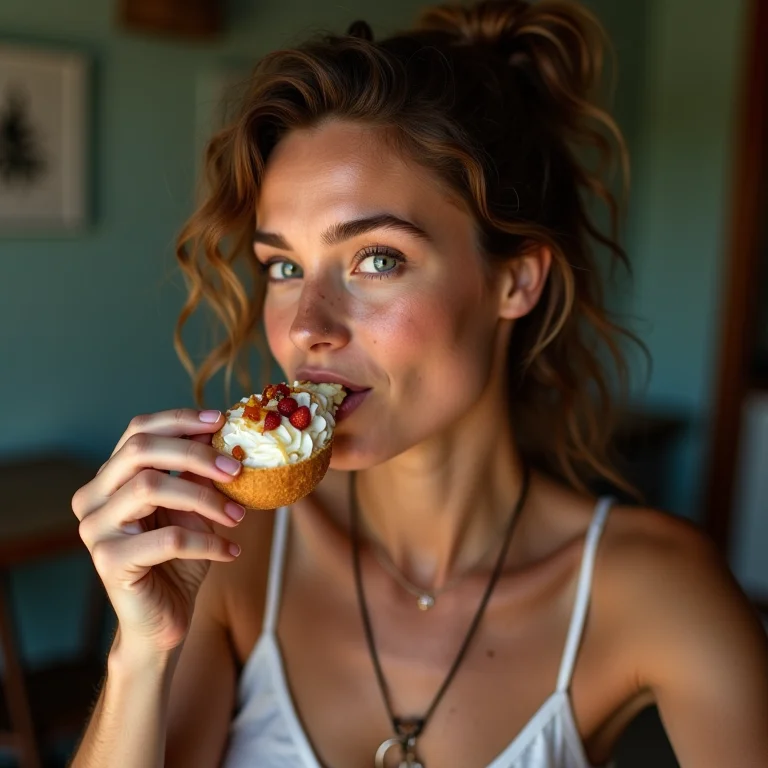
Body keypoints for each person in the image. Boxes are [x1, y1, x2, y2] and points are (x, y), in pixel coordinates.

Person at [69, 1, 768, 766]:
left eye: (376, 258)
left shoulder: (659, 593)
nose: (308, 325)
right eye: (283, 265)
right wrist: (139, 656)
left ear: (516, 282)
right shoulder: (231, 555)